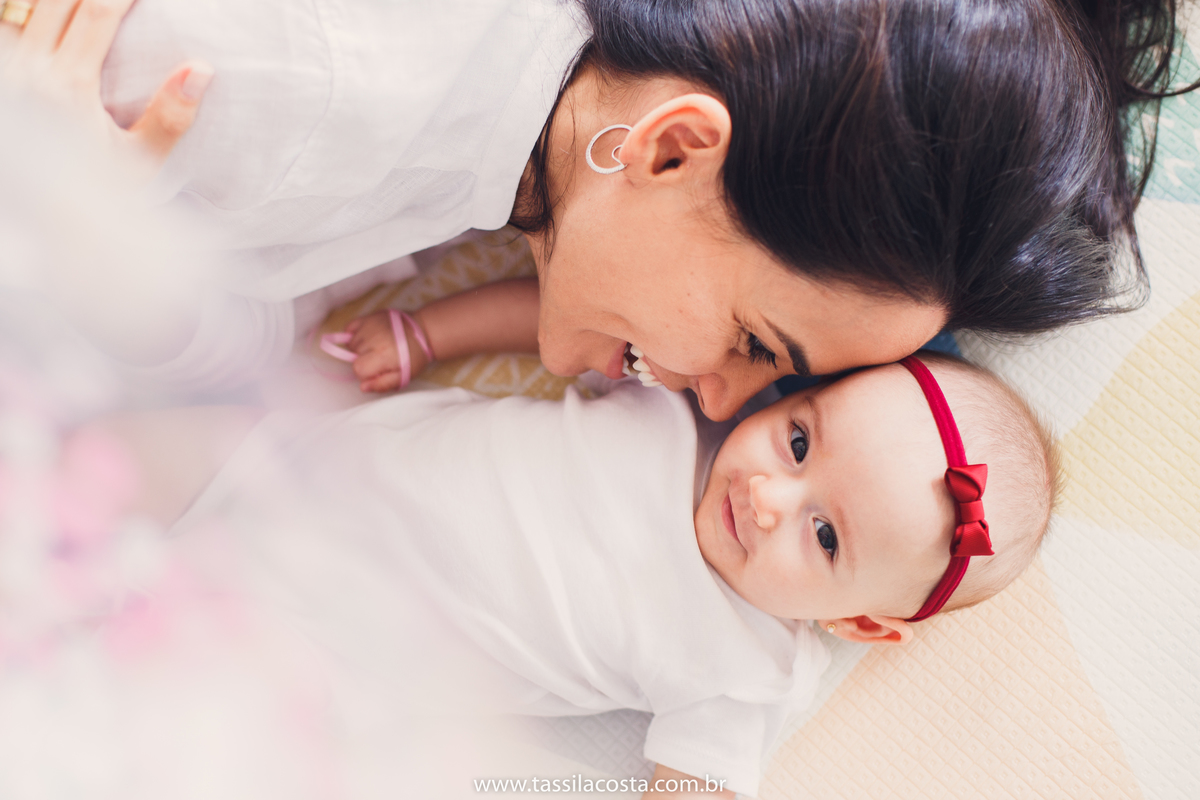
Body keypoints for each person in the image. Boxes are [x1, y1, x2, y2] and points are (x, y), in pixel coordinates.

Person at [2, 0, 1187, 419]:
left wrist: (112, 263)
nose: (715, 398)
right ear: (676, 149)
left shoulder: (507, 160)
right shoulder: (291, 86)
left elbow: (235, 330)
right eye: (755, 344)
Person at [162, 349, 1055, 798]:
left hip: (316, 652)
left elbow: (694, 785)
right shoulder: (690, 402)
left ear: (862, 624)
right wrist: (428, 329)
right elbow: (550, 322)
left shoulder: (752, 666)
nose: (771, 497)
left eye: (824, 538)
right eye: (798, 439)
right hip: (303, 462)